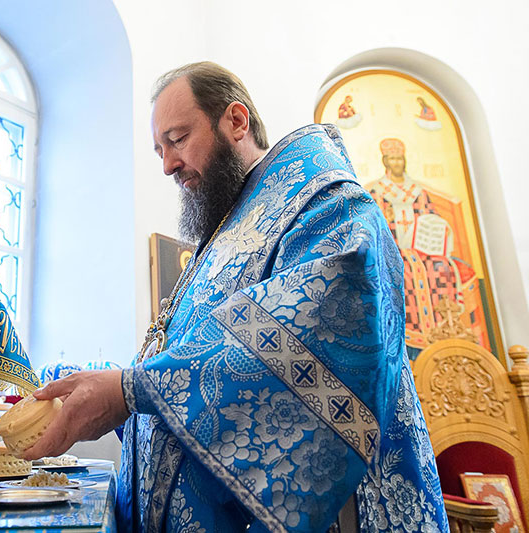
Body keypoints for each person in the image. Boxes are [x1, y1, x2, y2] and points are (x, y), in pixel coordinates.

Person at [22, 62, 448, 532]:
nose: (167, 165)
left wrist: (131, 390)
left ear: (237, 121)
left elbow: (312, 345)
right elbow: (181, 367)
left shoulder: (326, 204)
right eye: (160, 150)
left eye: (178, 139)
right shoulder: (228, 229)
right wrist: (83, 387)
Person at [366, 138, 483, 358]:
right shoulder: (377, 192)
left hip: (423, 250)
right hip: (394, 249)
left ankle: (445, 332)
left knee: (443, 268)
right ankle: (411, 342)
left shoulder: (418, 191)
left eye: (400, 159)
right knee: (405, 272)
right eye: (393, 159)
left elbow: (432, 217)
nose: (397, 163)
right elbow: (373, 226)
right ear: (385, 161)